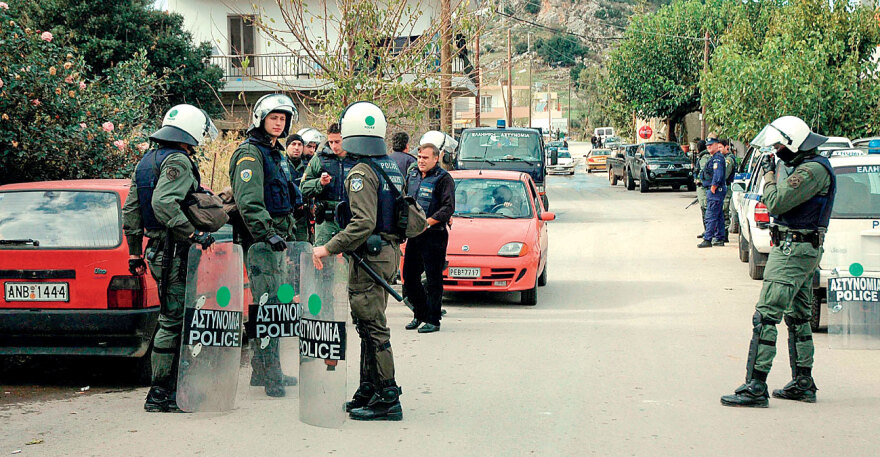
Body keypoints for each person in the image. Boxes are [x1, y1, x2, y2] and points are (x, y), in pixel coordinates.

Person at [721, 116, 836, 408]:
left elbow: (775, 202)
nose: (776, 151)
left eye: (779, 146)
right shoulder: (809, 167)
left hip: (792, 253)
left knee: (766, 316)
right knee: (797, 317)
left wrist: (770, 175)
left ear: (794, 143)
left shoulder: (810, 172)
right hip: (799, 250)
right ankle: (803, 383)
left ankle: (756, 386)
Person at [312, 101, 406, 421]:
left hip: (371, 256)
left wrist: (328, 247)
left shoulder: (361, 171)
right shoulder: (389, 165)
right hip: (385, 253)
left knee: (372, 325)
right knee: (367, 323)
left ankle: (387, 394)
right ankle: (369, 388)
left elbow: (363, 222)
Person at [122, 104, 218, 412]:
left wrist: (135, 252)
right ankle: (163, 392)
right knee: (174, 320)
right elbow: (163, 203)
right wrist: (193, 234)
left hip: (156, 250)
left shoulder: (147, 160)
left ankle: (170, 389)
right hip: (175, 251)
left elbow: (132, 211)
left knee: (171, 316)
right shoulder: (177, 159)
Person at [229, 93, 301, 398]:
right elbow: (248, 201)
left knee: (273, 306)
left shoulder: (276, 153)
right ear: (261, 118)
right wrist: (266, 232)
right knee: (269, 307)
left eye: (283, 119)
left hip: (279, 240)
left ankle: (262, 371)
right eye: (274, 117)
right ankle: (271, 375)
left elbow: (286, 194)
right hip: (262, 243)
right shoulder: (249, 154)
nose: (279, 123)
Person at [402, 143, 455, 334]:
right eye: (419, 157)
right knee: (409, 277)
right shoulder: (413, 175)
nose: (421, 161)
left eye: (425, 157)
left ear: (435, 158)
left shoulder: (443, 179)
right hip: (414, 234)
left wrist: (428, 222)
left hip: (434, 234)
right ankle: (420, 313)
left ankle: (433, 319)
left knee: (433, 279)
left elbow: (448, 208)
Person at [300, 123, 355, 246]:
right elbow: (303, 188)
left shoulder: (357, 159)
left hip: (350, 219)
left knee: (352, 260)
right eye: (330, 142)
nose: (334, 146)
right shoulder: (320, 159)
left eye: (337, 141)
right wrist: (319, 183)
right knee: (321, 260)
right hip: (326, 219)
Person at [697, 137, 726, 248]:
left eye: (711, 145)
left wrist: (713, 187)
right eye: (707, 145)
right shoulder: (714, 157)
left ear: (716, 145)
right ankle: (719, 237)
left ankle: (708, 239)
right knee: (718, 215)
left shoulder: (717, 159)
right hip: (714, 189)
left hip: (715, 190)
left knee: (711, 215)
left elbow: (718, 175)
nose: (709, 147)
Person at [286, 133, 312, 243]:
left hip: (303, 216)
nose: (296, 147)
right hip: (285, 215)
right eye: (293, 144)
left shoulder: (309, 166)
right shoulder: (279, 164)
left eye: (299, 144)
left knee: (303, 247)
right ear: (287, 147)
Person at [721, 139, 736, 242]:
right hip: (725, 188)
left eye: (720, 147)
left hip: (727, 188)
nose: (719, 149)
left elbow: (725, 175)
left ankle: (724, 235)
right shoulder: (724, 158)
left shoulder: (729, 160)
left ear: (726, 147)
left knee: (725, 210)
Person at [694, 139, 709, 238]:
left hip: (702, 187)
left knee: (705, 209)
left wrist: (699, 180)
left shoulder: (704, 157)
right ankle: (706, 231)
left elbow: (704, 171)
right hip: (702, 187)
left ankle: (708, 231)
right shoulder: (702, 157)